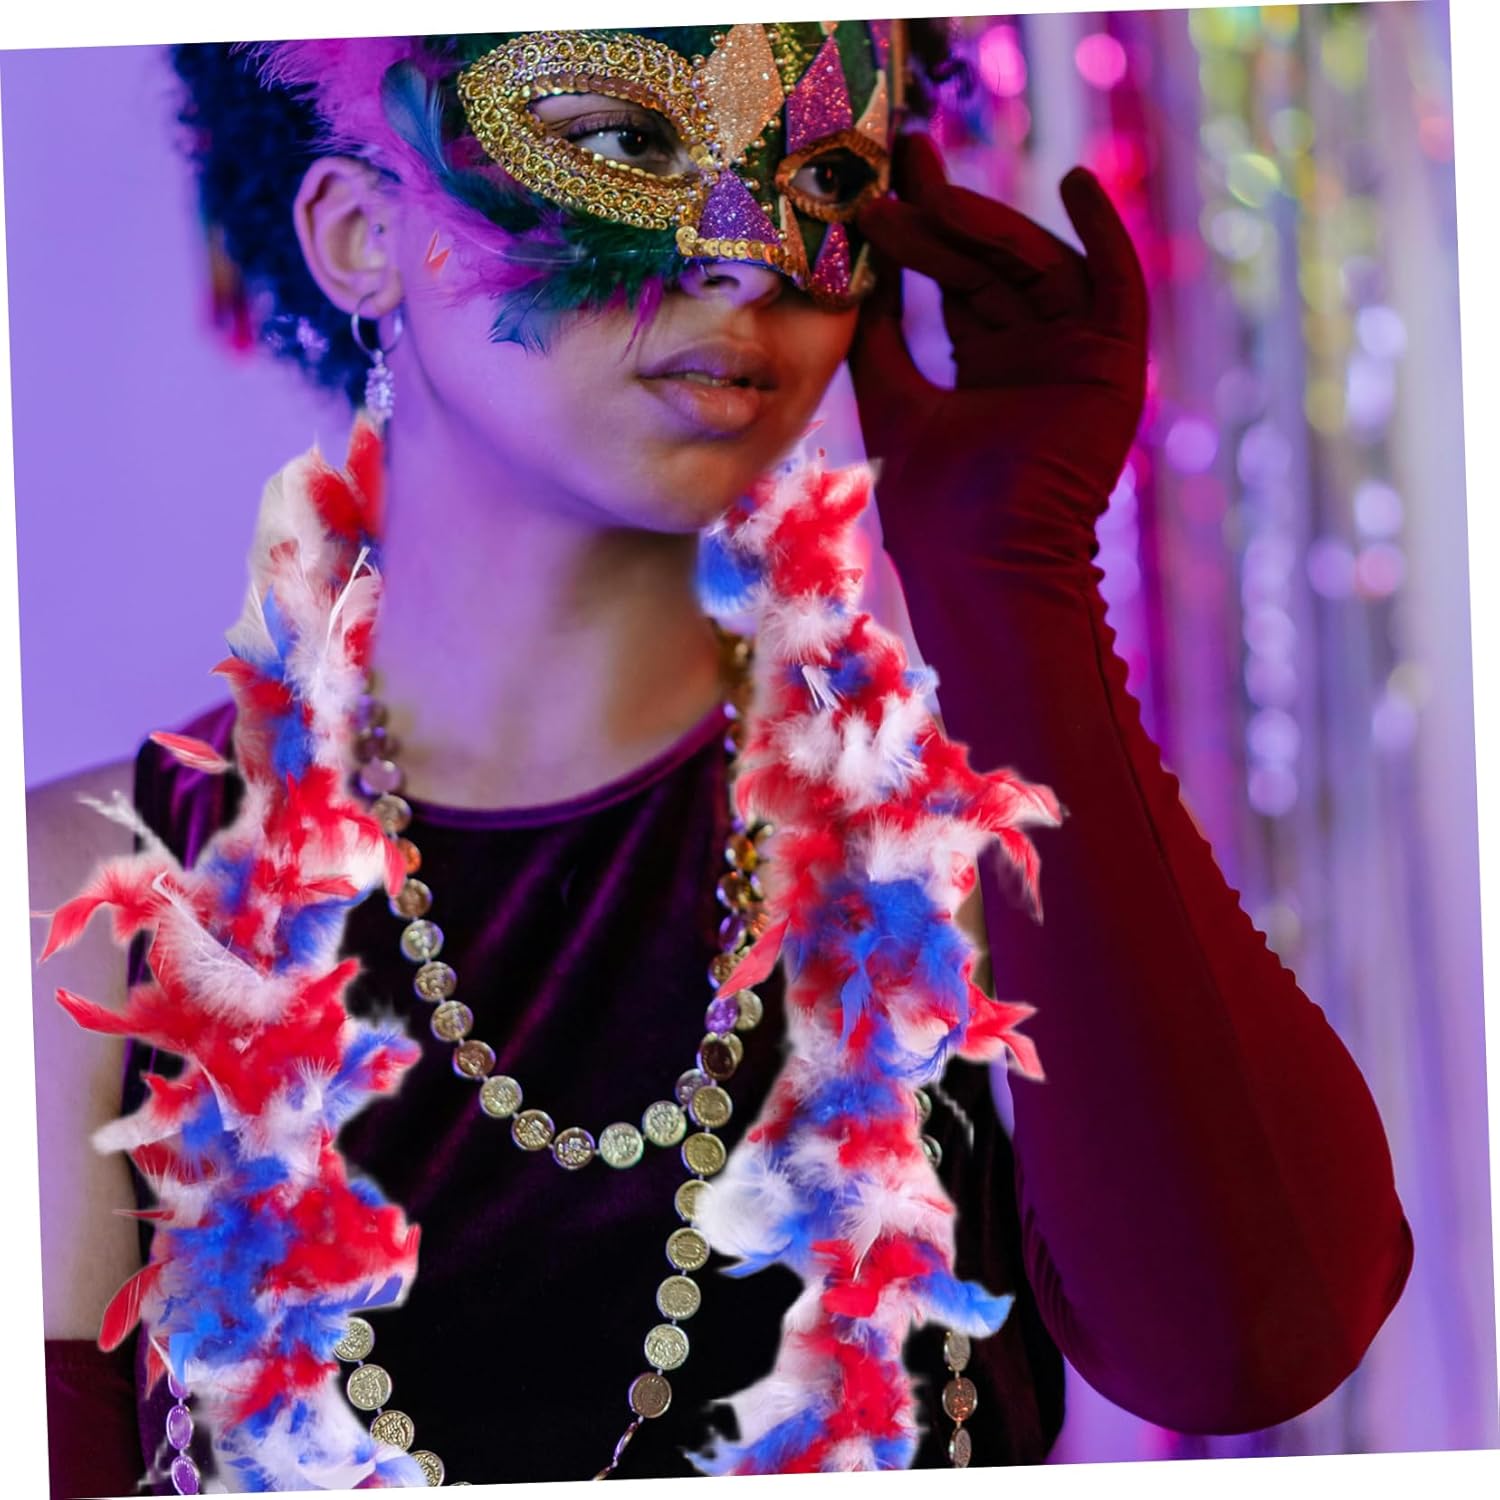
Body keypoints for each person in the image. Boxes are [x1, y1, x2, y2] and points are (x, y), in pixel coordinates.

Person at [29, 21, 1413, 1497]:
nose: (748, 259)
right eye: (625, 140)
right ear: (362, 232)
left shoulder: (936, 844)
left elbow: (1245, 1354)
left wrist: (1011, 575)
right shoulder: (94, 902)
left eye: (825, 176)